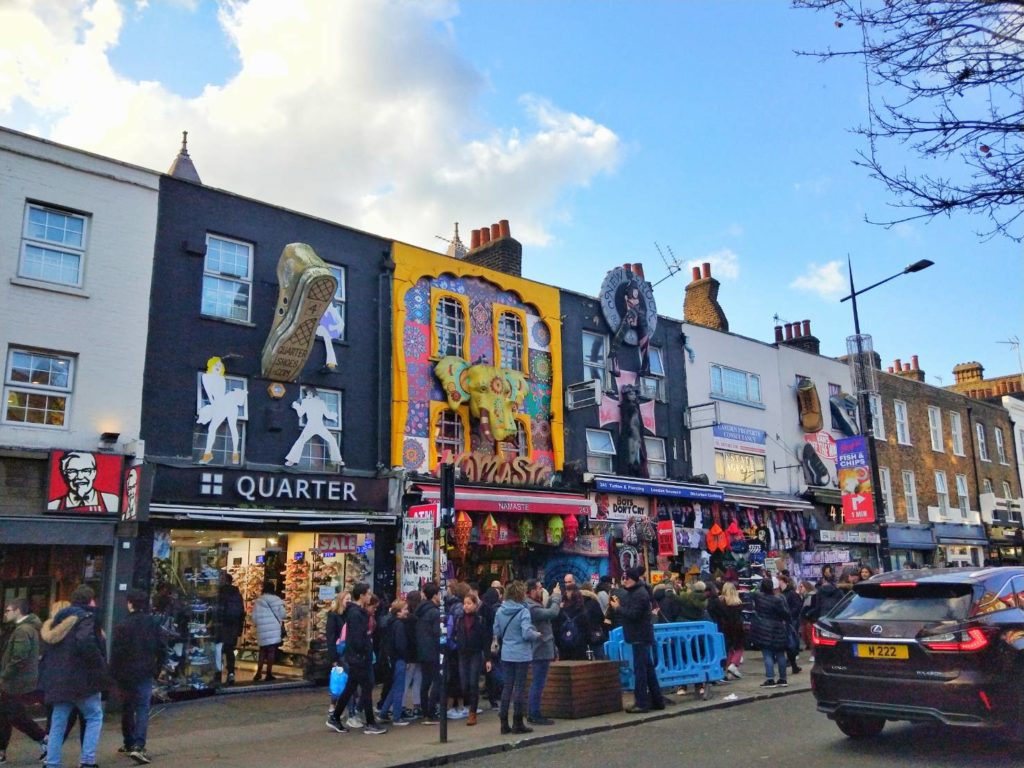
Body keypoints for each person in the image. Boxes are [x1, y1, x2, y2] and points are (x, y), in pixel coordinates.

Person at [39, 586, 108, 768]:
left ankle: (52, 763)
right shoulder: (86, 619)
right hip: (82, 681)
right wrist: (101, 668)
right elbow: (87, 644)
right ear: (91, 600)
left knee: (58, 723)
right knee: (94, 716)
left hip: (59, 682)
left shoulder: (55, 623)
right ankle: (87, 761)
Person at [110, 589, 165, 765]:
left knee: (127, 707)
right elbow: (162, 648)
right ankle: (139, 746)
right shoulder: (153, 623)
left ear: (129, 604)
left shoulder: (123, 624)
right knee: (142, 708)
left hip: (126, 672)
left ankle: (128, 742)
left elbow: (117, 653)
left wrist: (113, 675)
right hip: (145, 671)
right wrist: (157, 669)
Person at [326, 583, 387, 735]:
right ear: (361, 596)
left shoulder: (357, 613)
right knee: (366, 688)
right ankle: (370, 723)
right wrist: (363, 650)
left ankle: (335, 717)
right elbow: (356, 638)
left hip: (357, 657)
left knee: (350, 688)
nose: (369, 596)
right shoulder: (356, 614)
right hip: (358, 657)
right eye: (368, 594)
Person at [0, 598, 47, 764]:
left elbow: (19, 657)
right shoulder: (26, 628)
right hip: (18, 680)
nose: (5, 614)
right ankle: (1, 750)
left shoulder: (22, 630)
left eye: (7, 610)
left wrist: (4, 675)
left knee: (14, 715)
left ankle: (44, 739)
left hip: (15, 682)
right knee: (5, 715)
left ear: (18, 611)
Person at [614, 567, 665, 714]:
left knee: (640, 671)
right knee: (648, 670)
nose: (624, 581)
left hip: (639, 636)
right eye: (623, 578)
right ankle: (657, 700)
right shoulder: (637, 592)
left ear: (634, 579)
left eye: (627, 578)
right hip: (638, 636)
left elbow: (634, 614)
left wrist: (618, 608)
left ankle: (642, 703)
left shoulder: (640, 594)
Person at [493, 581, 540, 735]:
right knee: (519, 687)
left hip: (506, 653)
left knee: (507, 687)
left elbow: (497, 632)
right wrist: (536, 634)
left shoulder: (500, 611)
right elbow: (526, 633)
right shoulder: (523, 612)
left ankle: (503, 723)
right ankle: (518, 722)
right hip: (521, 654)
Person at [524, 579, 561, 725]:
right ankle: (534, 713)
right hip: (539, 648)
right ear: (531, 590)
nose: (541, 590)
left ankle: (534, 711)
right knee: (538, 682)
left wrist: (552, 596)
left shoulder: (534, 604)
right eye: (539, 588)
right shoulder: (531, 607)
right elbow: (552, 613)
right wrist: (556, 597)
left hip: (543, 647)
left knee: (539, 681)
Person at [453, 594, 488, 726]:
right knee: (464, 683)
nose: (466, 606)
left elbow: (485, 639)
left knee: (473, 683)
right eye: (465, 603)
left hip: (475, 653)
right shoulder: (459, 619)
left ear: (475, 605)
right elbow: (454, 634)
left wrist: (488, 658)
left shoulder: (479, 619)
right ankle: (469, 706)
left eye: (469, 603)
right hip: (462, 653)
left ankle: (472, 712)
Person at [377, 600, 412, 726]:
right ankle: (397, 717)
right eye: (405, 609)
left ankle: (384, 712)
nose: (407, 611)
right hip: (398, 659)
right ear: (398, 612)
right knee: (399, 688)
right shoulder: (399, 625)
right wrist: (405, 658)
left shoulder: (389, 623)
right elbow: (401, 645)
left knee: (394, 687)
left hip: (390, 659)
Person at [751, 577, 790, 689]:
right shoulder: (777, 599)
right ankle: (783, 679)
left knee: (767, 654)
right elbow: (785, 614)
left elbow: (752, 591)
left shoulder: (758, 597)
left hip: (764, 628)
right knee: (780, 654)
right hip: (777, 628)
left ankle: (770, 679)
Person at [47, 451, 119, 512]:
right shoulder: (53, 506)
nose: (80, 477)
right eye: (72, 471)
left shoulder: (112, 501)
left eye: (86, 471)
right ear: (64, 474)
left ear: (94, 473)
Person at [415, 583, 442, 723]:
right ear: (435, 595)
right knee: (438, 681)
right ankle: (431, 712)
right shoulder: (434, 612)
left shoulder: (420, 610)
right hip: (432, 649)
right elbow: (437, 632)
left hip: (422, 650)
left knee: (425, 682)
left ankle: (425, 711)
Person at [214, 573, 244, 685]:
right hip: (233, 627)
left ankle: (217, 675)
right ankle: (231, 673)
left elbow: (218, 610)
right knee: (230, 650)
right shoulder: (237, 594)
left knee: (218, 650)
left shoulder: (220, 593)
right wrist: (240, 631)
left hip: (221, 626)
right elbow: (242, 613)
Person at [251, 582, 285, 682]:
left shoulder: (258, 601)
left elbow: (254, 617)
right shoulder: (277, 600)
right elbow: (283, 614)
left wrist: (259, 623)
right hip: (274, 627)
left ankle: (258, 672)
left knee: (262, 650)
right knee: (271, 650)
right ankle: (269, 673)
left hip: (262, 627)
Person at [555, 575, 591, 661]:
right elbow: (587, 629)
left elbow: (556, 627)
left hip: (564, 645)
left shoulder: (561, 609)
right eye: (566, 582)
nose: (567, 584)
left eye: (569, 582)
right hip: (579, 646)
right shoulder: (582, 610)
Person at [718, 582, 746, 679]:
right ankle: (733, 665)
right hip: (737, 627)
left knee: (729, 649)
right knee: (739, 648)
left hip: (725, 627)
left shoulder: (721, 601)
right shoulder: (738, 601)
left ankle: (728, 670)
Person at [778, 575, 803, 675]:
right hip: (784, 620)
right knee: (789, 643)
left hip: (790, 620)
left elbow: (797, 606)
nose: (778, 582)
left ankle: (792, 662)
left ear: (784, 582)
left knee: (791, 642)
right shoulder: (780, 593)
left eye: (780, 580)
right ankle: (793, 664)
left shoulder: (791, 593)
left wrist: (790, 615)